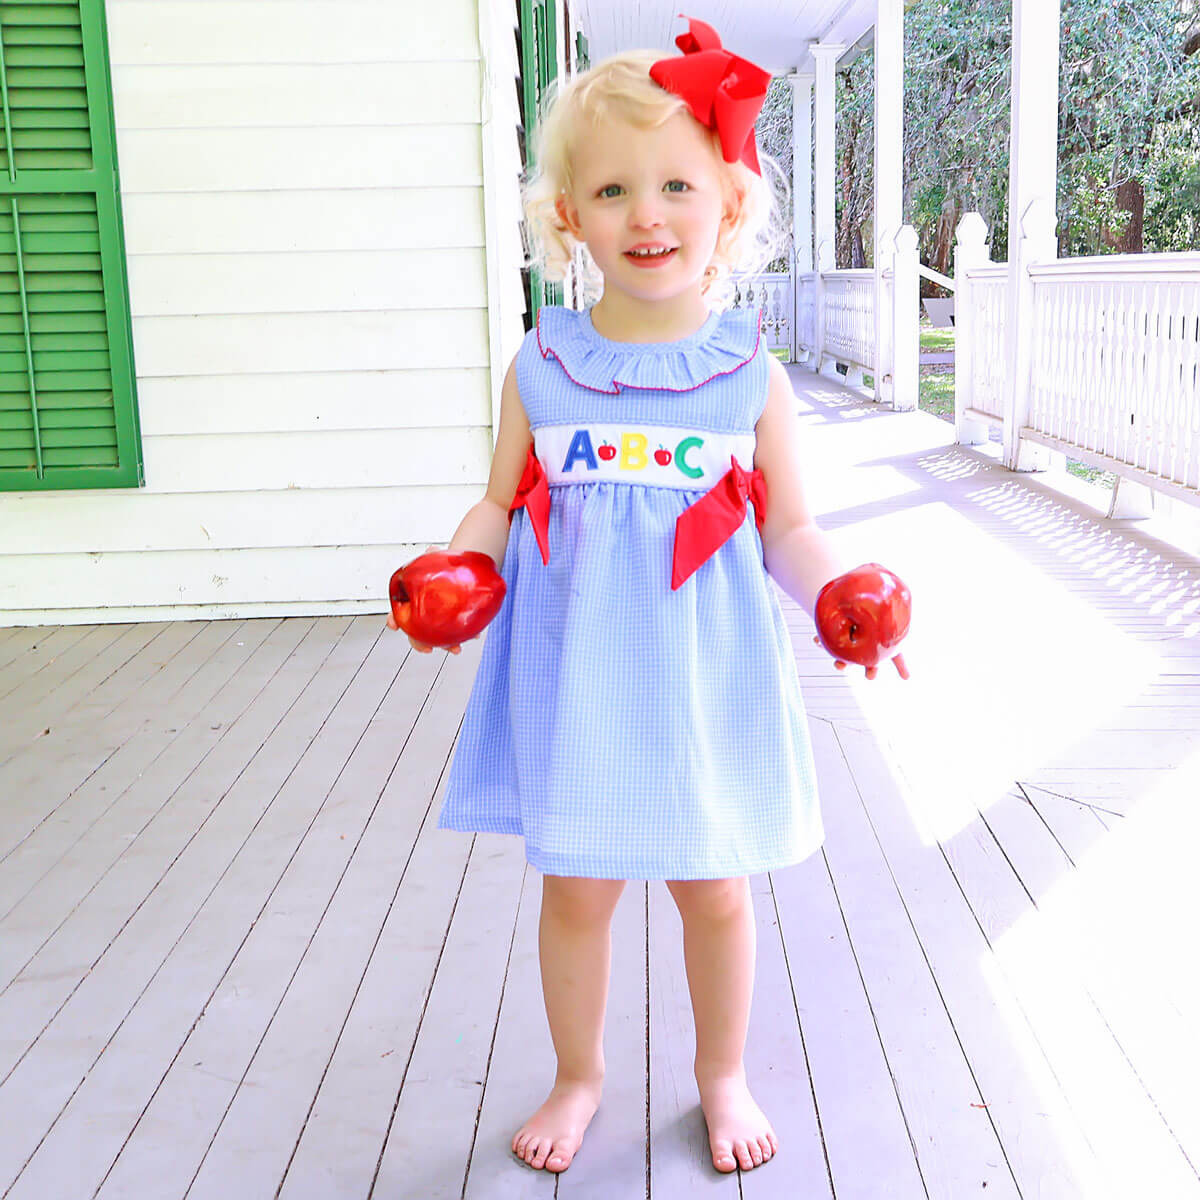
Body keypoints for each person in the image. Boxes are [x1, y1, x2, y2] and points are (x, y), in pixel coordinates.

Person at [387, 16, 906, 1177]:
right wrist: (453, 567)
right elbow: (499, 503)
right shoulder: (543, 363)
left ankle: (721, 1074)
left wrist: (840, 592)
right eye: (613, 188)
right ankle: (580, 1075)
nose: (648, 213)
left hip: (700, 680)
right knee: (577, 892)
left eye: (677, 183)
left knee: (714, 891)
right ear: (568, 214)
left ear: (730, 199)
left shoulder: (748, 376)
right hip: (580, 676)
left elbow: (790, 530)